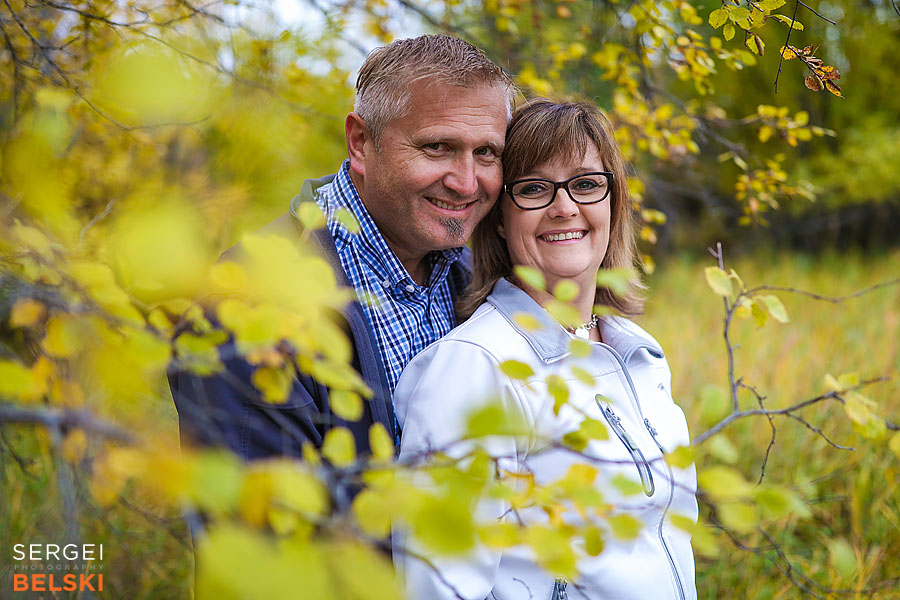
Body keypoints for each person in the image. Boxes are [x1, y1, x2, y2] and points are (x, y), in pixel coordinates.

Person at [392, 99, 698, 599]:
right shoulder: (476, 366)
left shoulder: (638, 355)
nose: (564, 206)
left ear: (612, 202)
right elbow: (435, 587)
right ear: (497, 217)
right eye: (534, 189)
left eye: (586, 184)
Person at [168, 35, 515, 461]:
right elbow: (263, 522)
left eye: (486, 153)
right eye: (437, 147)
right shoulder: (246, 307)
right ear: (361, 143)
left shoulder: (482, 281)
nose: (465, 182)